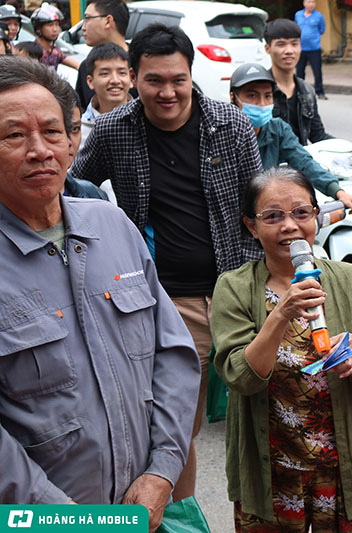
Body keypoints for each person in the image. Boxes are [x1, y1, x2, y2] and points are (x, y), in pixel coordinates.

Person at [0, 56, 200, 530]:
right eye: (14, 135)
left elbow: (172, 354)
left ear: (72, 141)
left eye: (53, 132)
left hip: (143, 510)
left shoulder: (111, 224)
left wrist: (162, 472)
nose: (39, 150)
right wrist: (56, 513)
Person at [70, 23, 262, 502]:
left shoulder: (231, 125)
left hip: (238, 294)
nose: (168, 92)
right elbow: (71, 192)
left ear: (191, 75)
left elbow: (259, 209)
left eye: (178, 79)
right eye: (154, 80)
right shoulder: (114, 130)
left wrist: (258, 283)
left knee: (264, 413)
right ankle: (180, 518)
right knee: (174, 428)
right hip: (167, 303)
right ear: (134, 78)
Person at [210, 167, 352, 531]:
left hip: (344, 469)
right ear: (251, 226)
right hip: (273, 473)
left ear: (316, 217)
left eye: (301, 213)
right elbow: (240, 377)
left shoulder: (349, 279)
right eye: (273, 216)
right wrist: (281, 313)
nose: (290, 226)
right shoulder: (233, 287)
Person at [230, 62, 352, 215]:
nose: (261, 104)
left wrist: (338, 192)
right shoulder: (223, 133)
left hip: (268, 212)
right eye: (252, 96)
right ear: (233, 98)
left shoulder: (277, 128)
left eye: (267, 96)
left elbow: (303, 161)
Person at [264, 18, 333, 145]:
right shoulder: (260, 90)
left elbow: (318, 135)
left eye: (294, 44)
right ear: (267, 48)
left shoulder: (307, 91)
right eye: (281, 44)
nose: (289, 51)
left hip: (301, 157)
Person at [75, 0, 132, 110]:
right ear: (90, 81)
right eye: (104, 73)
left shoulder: (141, 64)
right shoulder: (86, 67)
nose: (83, 27)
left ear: (108, 21)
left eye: (87, 18)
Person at [79, 42, 133, 148]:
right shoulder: (80, 132)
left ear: (132, 78)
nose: (115, 80)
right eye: (105, 74)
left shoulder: (147, 122)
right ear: (90, 81)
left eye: (122, 73)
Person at [31, 3, 79, 70]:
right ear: (38, 29)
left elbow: (77, 65)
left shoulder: (54, 49)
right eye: (50, 25)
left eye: (57, 24)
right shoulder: (33, 52)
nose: (55, 29)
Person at [294, 0, 327, 99]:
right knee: (300, 71)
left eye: (313, 2)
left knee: (317, 72)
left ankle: (320, 92)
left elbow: (322, 30)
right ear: (304, 3)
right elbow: (295, 29)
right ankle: (300, 92)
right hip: (301, 48)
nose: (311, 4)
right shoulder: (298, 15)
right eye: (309, 2)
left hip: (314, 48)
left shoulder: (319, 16)